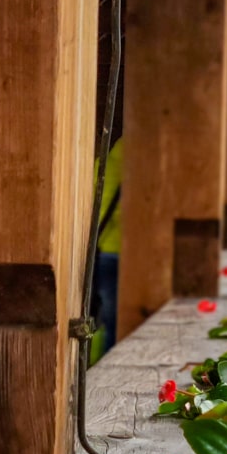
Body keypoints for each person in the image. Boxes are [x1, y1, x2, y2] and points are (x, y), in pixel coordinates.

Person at [92, 135, 123, 353]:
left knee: (108, 323)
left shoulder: (102, 162)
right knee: (120, 326)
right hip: (123, 254)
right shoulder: (140, 162)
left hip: (102, 252)